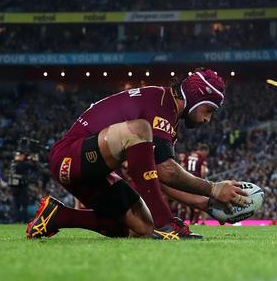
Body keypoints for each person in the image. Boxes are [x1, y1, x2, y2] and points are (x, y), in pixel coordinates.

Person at [26, 68, 249, 240]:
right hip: (69, 156)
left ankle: (57, 216)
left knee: (142, 228)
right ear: (196, 97)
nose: (207, 119)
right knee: (140, 129)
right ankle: (166, 224)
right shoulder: (160, 103)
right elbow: (166, 170)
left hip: (94, 171)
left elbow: (159, 176)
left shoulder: (169, 116)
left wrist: (206, 204)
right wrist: (213, 188)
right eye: (208, 110)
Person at [180, 145, 209, 224]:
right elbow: (203, 172)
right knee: (197, 200)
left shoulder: (188, 155)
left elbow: (182, 167)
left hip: (186, 180)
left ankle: (181, 222)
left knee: (184, 202)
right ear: (204, 150)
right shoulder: (201, 158)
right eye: (206, 153)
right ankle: (194, 222)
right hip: (196, 180)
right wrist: (202, 180)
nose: (206, 155)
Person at [8, 151, 39, 223]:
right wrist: (31, 161)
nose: (19, 157)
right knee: (19, 205)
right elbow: (13, 174)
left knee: (22, 205)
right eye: (18, 155)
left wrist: (33, 161)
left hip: (19, 186)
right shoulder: (17, 164)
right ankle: (19, 220)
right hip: (18, 187)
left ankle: (21, 220)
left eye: (20, 155)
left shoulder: (20, 164)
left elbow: (35, 168)